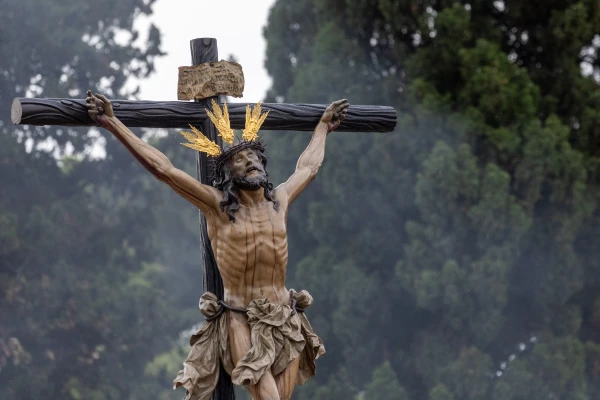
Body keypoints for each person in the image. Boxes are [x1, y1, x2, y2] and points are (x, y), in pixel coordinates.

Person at [86, 91, 349, 400]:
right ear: (228, 173)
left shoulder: (279, 200)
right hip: (240, 317)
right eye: (240, 159)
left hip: (284, 317)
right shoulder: (217, 207)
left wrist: (322, 127)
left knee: (282, 396)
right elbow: (165, 171)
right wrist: (113, 122)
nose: (250, 162)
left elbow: (309, 167)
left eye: (254, 158)